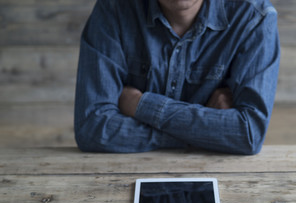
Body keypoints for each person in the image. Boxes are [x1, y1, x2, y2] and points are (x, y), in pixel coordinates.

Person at [74, 0, 280, 154]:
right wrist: (209, 134)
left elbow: (249, 133)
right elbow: (92, 128)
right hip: (125, 174)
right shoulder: (113, 10)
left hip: (221, 176)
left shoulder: (255, 17)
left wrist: (141, 105)